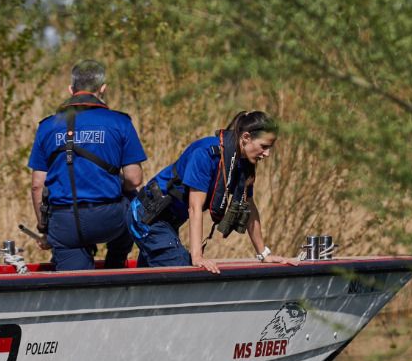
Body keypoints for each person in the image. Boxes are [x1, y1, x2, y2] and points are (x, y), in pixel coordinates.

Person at [126, 110, 294, 274]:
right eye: (264, 146)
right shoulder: (206, 154)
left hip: (168, 223)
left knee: (152, 278)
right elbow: (195, 207)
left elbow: (249, 206)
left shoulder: (242, 164)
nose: (267, 154)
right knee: (183, 271)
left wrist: (264, 254)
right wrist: (197, 257)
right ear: (246, 137)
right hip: (146, 216)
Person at [28, 60, 146, 270]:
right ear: (103, 89)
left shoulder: (47, 126)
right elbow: (134, 179)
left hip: (64, 223)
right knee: (134, 200)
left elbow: (37, 185)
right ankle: (115, 264)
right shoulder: (120, 122)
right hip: (109, 219)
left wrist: (45, 229)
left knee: (74, 280)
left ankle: (79, 265)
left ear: (71, 89)